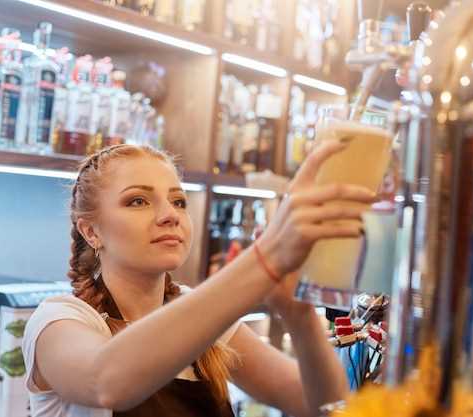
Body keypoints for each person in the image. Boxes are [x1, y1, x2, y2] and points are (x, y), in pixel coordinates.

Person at [22, 142, 377, 417]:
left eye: (178, 202)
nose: (168, 216)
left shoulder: (205, 325)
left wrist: (297, 314)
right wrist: (266, 257)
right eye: (138, 201)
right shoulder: (59, 321)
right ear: (91, 231)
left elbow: (322, 406)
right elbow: (107, 382)